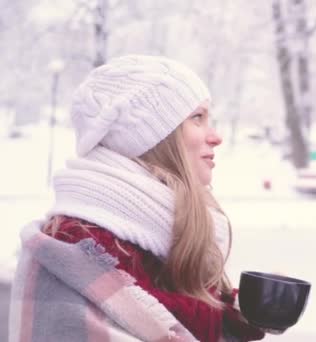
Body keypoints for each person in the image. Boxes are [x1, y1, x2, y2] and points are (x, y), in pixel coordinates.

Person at [9, 55, 265, 342]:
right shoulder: (84, 244)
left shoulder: (153, 237)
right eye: (197, 118)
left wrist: (234, 316)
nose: (216, 136)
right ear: (150, 138)